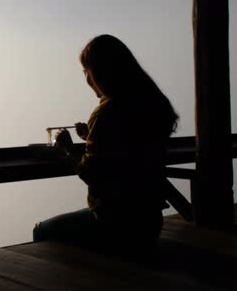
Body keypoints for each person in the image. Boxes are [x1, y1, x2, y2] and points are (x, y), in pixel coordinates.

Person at [33, 34, 179, 252]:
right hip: (148, 222)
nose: (86, 78)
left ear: (99, 71)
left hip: (115, 225)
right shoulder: (153, 104)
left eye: (86, 71)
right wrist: (90, 137)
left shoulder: (106, 112)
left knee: (41, 230)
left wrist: (68, 149)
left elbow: (92, 173)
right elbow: (128, 147)